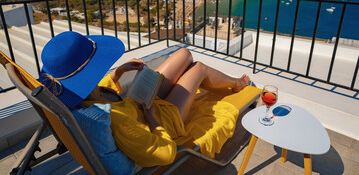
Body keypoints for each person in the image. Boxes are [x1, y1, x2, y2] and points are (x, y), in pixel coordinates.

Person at [39, 31, 252, 167]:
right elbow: (165, 155)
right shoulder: (118, 123)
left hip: (139, 102)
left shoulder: (80, 95)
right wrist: (153, 119)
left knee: (184, 54)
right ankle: (237, 84)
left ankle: (208, 83)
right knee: (199, 69)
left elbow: (99, 89)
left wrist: (119, 72)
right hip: (161, 119)